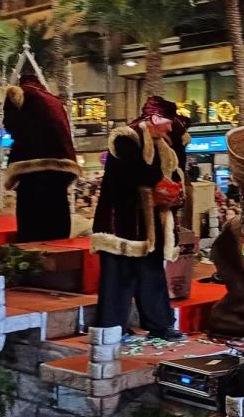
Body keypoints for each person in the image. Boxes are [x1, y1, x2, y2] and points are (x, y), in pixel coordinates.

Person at [91, 97, 190, 342]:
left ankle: (159, 324)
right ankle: (111, 327)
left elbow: (176, 175)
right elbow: (134, 173)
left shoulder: (165, 145)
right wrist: (162, 186)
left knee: (152, 273)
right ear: (155, 119)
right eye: (167, 123)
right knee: (117, 275)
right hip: (121, 220)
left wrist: (175, 195)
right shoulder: (125, 137)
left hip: (151, 223)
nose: (170, 128)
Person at [2, 74, 82, 242]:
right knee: (57, 203)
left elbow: (11, 125)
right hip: (63, 163)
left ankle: (32, 250)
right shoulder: (55, 100)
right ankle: (60, 246)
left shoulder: (18, 93)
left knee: (31, 207)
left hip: (32, 161)